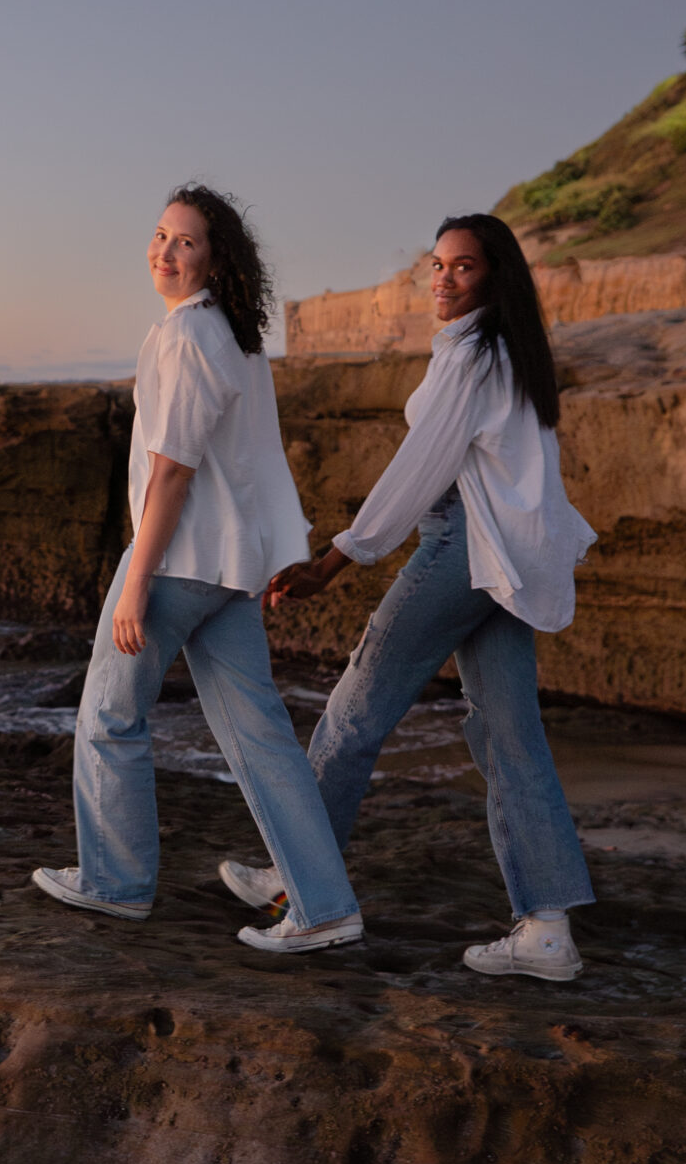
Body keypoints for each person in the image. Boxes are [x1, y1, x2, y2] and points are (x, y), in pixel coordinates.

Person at [252, 213, 598, 981]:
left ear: (494, 278)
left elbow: (418, 469)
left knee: (353, 710)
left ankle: (304, 889)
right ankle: (546, 928)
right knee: (512, 737)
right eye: (436, 265)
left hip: (464, 548)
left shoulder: (473, 357)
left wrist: (337, 559)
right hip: (505, 557)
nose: (443, 279)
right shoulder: (507, 353)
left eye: (463, 267)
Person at [31, 184, 364, 953]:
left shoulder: (188, 336)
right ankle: (325, 903)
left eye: (185, 241)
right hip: (230, 569)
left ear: (216, 259)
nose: (165, 252)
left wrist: (135, 579)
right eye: (159, 236)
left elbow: (171, 473)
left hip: (178, 560)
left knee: (110, 716)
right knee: (262, 738)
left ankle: (115, 882)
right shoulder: (237, 338)